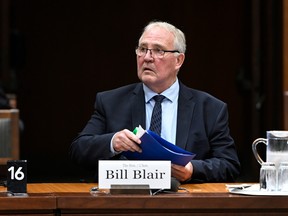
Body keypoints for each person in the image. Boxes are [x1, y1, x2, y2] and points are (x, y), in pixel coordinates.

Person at [69, 20, 241, 183]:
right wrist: (113, 142)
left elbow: (229, 165)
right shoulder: (110, 102)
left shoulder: (210, 109)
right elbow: (78, 149)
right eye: (143, 49)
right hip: (127, 204)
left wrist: (192, 170)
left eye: (158, 50)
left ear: (178, 60)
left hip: (183, 205)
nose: (147, 57)